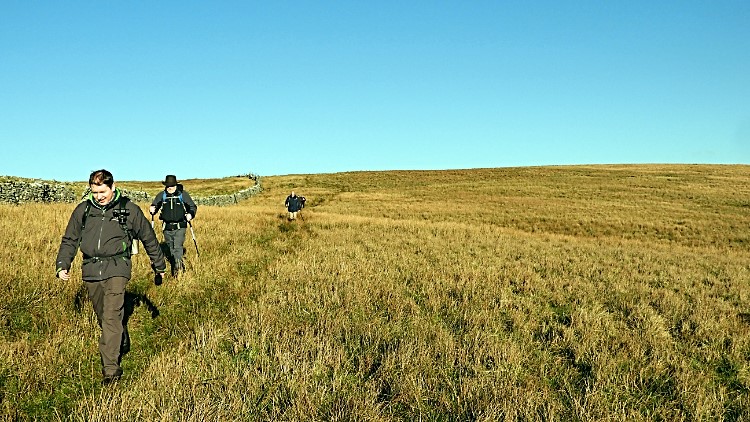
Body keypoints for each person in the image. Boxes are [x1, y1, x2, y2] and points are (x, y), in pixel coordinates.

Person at [56, 169, 166, 385]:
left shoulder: (129, 209)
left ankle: (110, 370)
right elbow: (70, 239)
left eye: (103, 191)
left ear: (112, 187)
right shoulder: (83, 210)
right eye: (95, 192)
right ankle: (121, 339)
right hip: (90, 269)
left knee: (111, 317)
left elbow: (148, 237)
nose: (99, 196)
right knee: (102, 315)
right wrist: (62, 264)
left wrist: (159, 265)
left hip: (118, 267)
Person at [149, 175, 197, 276]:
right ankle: (178, 266)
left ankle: (178, 271)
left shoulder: (183, 195)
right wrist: (152, 209)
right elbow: (155, 205)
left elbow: (192, 206)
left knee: (177, 247)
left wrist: (190, 214)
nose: (169, 187)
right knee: (171, 249)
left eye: (171, 185)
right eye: (168, 185)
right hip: (167, 227)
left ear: (176, 185)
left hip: (180, 226)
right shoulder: (162, 195)